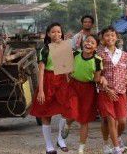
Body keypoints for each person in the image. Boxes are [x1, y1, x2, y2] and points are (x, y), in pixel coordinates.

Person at [97, 26, 127, 154]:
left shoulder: (124, 55)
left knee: (122, 121)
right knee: (110, 120)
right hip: (105, 92)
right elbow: (96, 74)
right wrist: (105, 87)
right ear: (102, 38)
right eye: (107, 35)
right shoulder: (99, 55)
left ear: (116, 37)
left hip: (121, 92)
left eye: (112, 35)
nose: (110, 38)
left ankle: (117, 138)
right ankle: (115, 148)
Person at [30, 22, 72, 154]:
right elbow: (41, 71)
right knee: (46, 114)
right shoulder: (45, 49)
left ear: (62, 34)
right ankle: (49, 146)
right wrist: (41, 90)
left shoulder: (64, 48)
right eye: (53, 32)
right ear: (48, 34)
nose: (56, 34)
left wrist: (69, 85)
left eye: (59, 32)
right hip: (48, 81)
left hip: (62, 82)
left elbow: (66, 70)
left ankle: (60, 139)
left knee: (66, 111)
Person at [60, 35, 107, 154]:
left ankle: (81, 148)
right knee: (72, 111)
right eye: (87, 41)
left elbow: (96, 78)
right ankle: (67, 124)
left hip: (89, 89)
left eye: (92, 42)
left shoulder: (97, 60)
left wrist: (101, 78)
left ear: (96, 46)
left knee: (84, 120)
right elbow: (65, 67)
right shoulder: (75, 54)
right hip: (74, 86)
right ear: (82, 43)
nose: (88, 44)